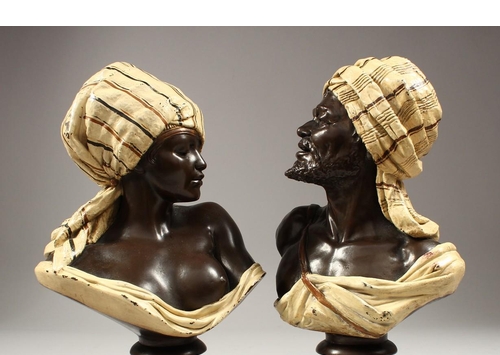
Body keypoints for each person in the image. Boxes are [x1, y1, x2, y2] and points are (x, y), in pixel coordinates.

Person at [35, 62, 265, 337]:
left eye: (197, 148)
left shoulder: (212, 223)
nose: (201, 162)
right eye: (183, 151)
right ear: (135, 159)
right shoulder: (88, 258)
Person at [275, 56, 465, 339]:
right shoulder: (297, 230)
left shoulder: (422, 261)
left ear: (371, 140)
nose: (303, 130)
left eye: (323, 119)